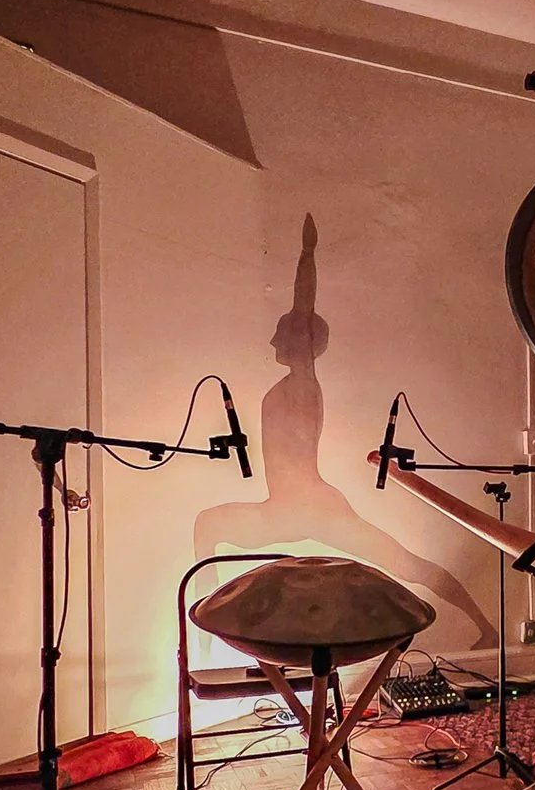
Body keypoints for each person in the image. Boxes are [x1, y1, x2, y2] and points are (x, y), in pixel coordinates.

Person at [192, 214, 496, 648]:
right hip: (283, 508)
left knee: (407, 564)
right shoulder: (285, 387)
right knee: (207, 524)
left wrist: (307, 255)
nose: (273, 342)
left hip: (314, 505)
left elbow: (303, 309)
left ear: (300, 343)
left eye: (280, 335)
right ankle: (204, 637)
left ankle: (485, 628)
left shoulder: (302, 384)